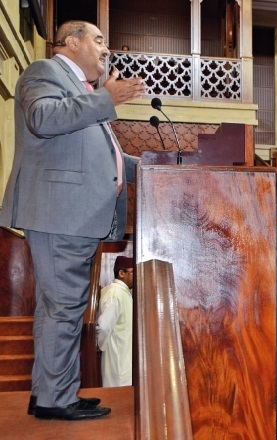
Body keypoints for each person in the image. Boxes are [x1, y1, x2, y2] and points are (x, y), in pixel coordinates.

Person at [0, 20, 146, 420]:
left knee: (62, 307)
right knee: (63, 306)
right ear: (70, 42)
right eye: (98, 39)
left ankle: (52, 393)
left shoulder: (87, 92)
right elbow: (43, 119)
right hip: (60, 213)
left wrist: (152, 166)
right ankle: (54, 399)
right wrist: (106, 99)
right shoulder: (44, 72)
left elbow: (106, 159)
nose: (105, 48)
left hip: (72, 215)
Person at [97, 256, 134, 387]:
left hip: (126, 357)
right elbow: (103, 326)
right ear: (121, 273)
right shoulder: (115, 293)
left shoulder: (124, 293)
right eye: (133, 272)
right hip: (117, 359)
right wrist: (101, 347)